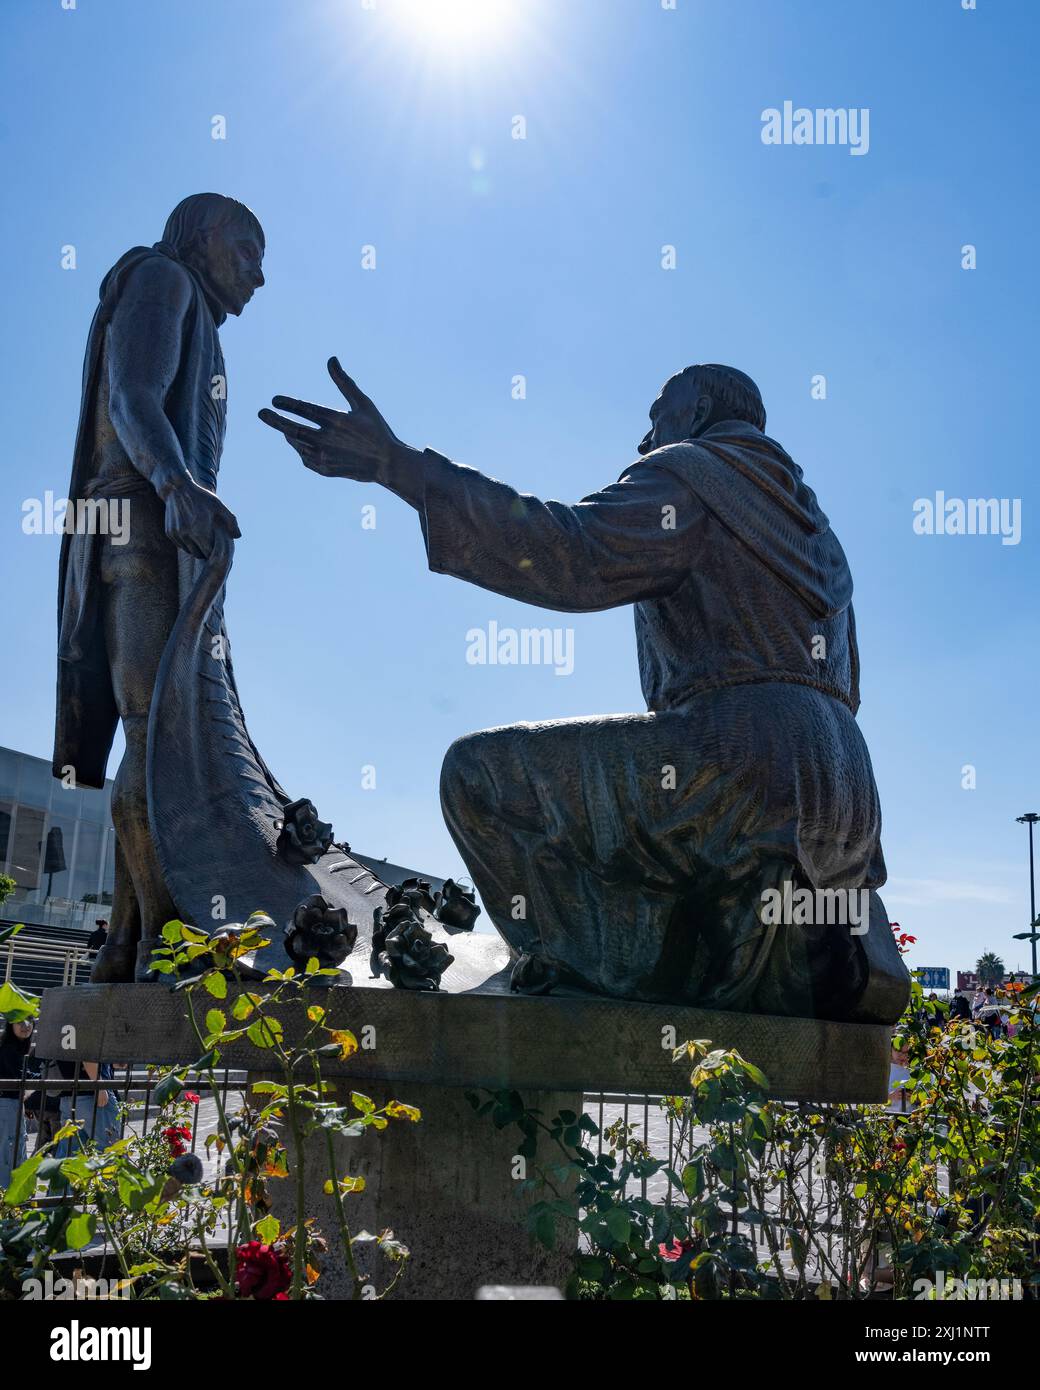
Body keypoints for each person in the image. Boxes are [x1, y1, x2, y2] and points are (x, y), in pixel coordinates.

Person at [260, 360, 903, 1018]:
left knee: (480, 777)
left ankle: (587, 983)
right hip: (846, 784)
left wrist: (397, 467)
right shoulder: (819, 532)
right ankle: (689, 959)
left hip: (737, 751)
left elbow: (574, 552)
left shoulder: (697, 473)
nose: (644, 438)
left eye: (658, 416)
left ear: (698, 411)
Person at [53, 193, 264, 982]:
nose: (258, 273)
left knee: (156, 741)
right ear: (198, 238)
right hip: (143, 530)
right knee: (153, 740)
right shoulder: (163, 280)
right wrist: (176, 483)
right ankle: (157, 943)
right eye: (244, 248)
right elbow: (132, 396)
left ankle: (129, 938)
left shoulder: (179, 299)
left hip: (155, 533)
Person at [0, 1020, 35, 1184]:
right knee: (10, 1152)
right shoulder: (7, 1047)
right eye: (20, 1022)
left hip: (12, 1104)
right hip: (6, 1105)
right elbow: (20, 1076)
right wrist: (42, 1077)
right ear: (10, 1025)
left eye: (29, 1021)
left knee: (14, 1149)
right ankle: (8, 1198)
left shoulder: (16, 1047)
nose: (26, 1025)